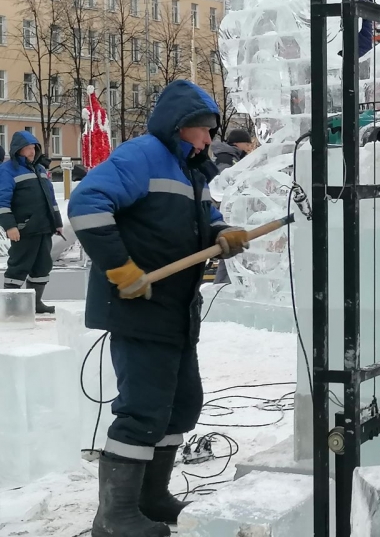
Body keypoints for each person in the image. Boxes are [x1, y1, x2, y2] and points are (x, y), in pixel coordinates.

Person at [68, 80, 250, 537]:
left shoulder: (192, 170)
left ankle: (151, 496)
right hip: (138, 303)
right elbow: (86, 204)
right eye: (204, 130)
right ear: (179, 127)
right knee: (144, 409)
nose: (210, 139)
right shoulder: (141, 156)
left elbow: (202, 218)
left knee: (181, 407)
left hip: (176, 308)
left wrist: (221, 233)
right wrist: (120, 268)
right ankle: (115, 517)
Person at [0, 130, 63, 313]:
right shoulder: (6, 171)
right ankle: (10, 306)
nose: (31, 152)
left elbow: (51, 199)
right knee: (19, 266)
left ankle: (36, 303)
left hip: (44, 227)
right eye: (26, 148)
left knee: (43, 266)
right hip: (23, 229)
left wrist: (57, 222)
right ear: (17, 150)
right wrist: (10, 226)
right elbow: (2, 201)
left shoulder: (40, 170)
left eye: (33, 148)